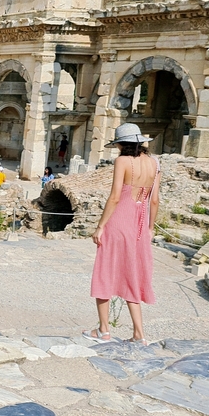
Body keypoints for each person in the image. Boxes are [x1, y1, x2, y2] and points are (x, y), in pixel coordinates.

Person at [86, 123, 160, 346]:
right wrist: (150, 228)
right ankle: (139, 334)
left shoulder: (123, 161)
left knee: (104, 272)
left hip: (119, 222)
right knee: (132, 276)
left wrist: (100, 226)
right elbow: (154, 200)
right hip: (139, 226)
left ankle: (104, 330)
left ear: (121, 143)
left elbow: (115, 197)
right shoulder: (155, 163)